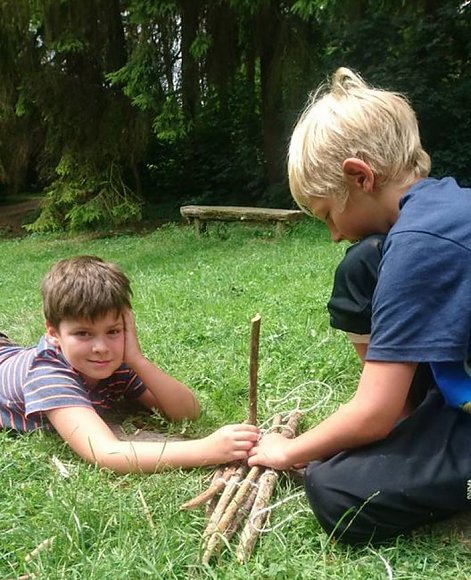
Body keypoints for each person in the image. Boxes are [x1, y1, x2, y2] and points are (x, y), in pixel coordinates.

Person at [249, 66, 471, 545]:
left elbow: (375, 413)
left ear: (360, 176)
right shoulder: (443, 207)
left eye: (329, 214)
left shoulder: (418, 244)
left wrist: (288, 451)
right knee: (364, 262)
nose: (333, 234)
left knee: (336, 489)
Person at [0, 255, 258, 473]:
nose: (101, 348)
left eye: (113, 331)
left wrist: (137, 360)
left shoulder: (116, 364)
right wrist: (207, 449)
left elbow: (186, 412)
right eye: (83, 333)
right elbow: (105, 452)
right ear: (53, 333)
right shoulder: (47, 375)